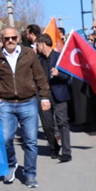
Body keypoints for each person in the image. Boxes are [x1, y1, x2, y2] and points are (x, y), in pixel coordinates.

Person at [0, 26, 51, 189]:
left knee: (31, 140)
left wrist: (44, 96)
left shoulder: (28, 54)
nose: (10, 41)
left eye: (13, 38)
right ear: (1, 40)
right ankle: (11, 164)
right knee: (5, 139)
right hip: (5, 104)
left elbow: (40, 76)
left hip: (28, 102)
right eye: (7, 38)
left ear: (18, 38)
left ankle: (30, 174)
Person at [36, 34, 72, 162]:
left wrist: (59, 74)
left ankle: (66, 152)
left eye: (37, 45)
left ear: (43, 44)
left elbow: (68, 76)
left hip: (59, 94)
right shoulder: (38, 60)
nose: (37, 48)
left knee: (62, 122)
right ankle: (54, 146)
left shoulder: (59, 57)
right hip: (43, 96)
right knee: (47, 124)